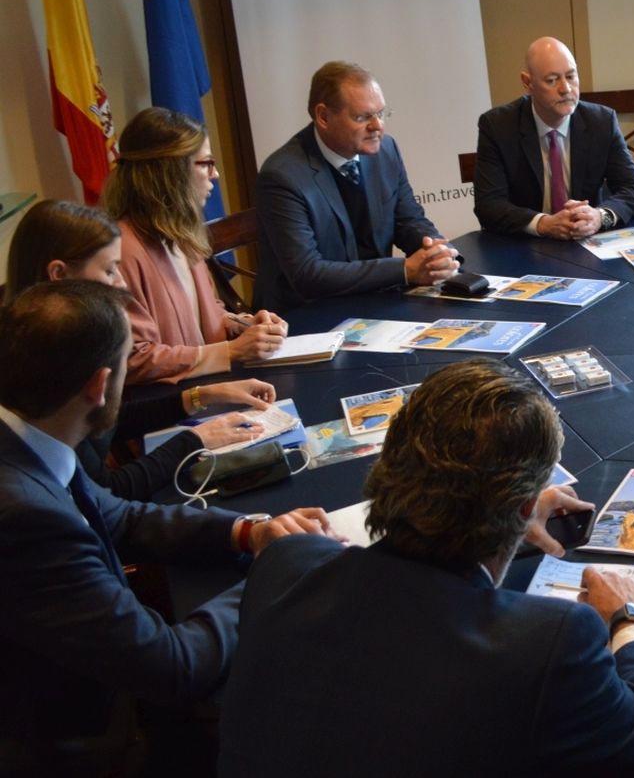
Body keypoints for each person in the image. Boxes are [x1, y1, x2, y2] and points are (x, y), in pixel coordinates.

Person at [218, 359, 634, 775]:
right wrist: (630, 618)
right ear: (527, 505)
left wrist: (507, 514)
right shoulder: (550, 642)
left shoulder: (285, 563)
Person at [0, 281, 332, 771]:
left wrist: (249, 532)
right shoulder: (26, 515)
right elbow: (173, 666)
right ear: (99, 385)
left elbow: (120, 515)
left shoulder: (31, 441)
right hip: (90, 738)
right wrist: (275, 570)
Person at [5, 199, 275, 500]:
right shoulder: (41, 369)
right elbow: (107, 491)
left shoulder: (50, 340)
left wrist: (200, 397)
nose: (122, 284)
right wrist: (194, 440)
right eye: (109, 270)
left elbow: (113, 419)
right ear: (59, 274)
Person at [99, 108, 287, 383]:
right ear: (171, 173)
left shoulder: (180, 233)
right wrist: (231, 351)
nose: (216, 175)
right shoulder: (121, 251)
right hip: (170, 405)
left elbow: (206, 315)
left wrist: (244, 326)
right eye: (207, 163)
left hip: (212, 385)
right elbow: (134, 359)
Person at [255, 60, 458, 310]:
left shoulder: (386, 150)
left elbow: (408, 220)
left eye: (381, 113)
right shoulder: (282, 176)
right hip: (308, 314)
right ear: (324, 116)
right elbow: (308, 274)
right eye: (362, 117)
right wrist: (405, 270)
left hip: (376, 300)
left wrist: (437, 251)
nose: (378, 126)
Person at [474, 37, 634, 239]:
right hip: (524, 245)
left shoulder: (601, 121)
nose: (565, 88)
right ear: (527, 83)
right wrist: (542, 223)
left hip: (584, 241)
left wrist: (600, 216)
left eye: (571, 76)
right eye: (552, 80)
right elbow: (489, 205)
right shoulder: (498, 126)